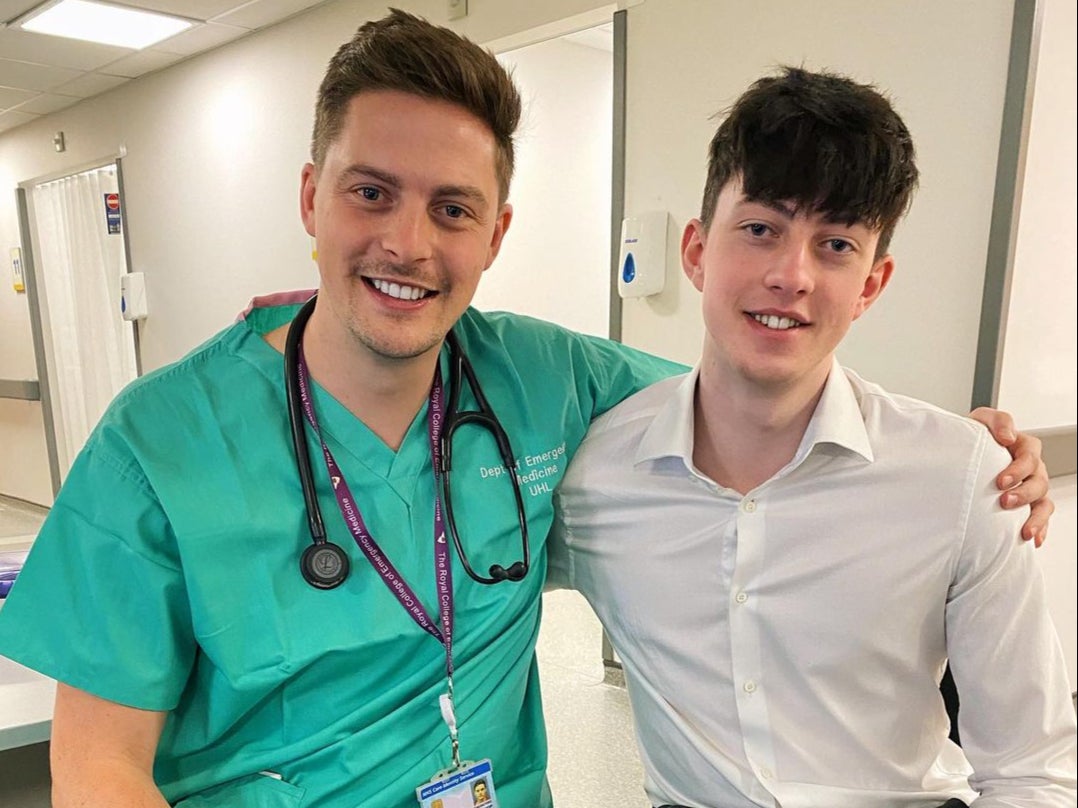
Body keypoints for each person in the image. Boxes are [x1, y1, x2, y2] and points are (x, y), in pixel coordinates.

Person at [0, 11, 1053, 808]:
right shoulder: (156, 444)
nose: (408, 243)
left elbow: (759, 385)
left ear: (496, 233)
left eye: (452, 208)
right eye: (370, 192)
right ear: (311, 195)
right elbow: (96, 766)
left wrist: (967, 452)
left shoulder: (546, 381)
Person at [549, 66, 1077, 807]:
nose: (791, 275)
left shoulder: (961, 480)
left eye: (834, 245)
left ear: (871, 285)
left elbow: (1032, 771)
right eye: (761, 229)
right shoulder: (596, 478)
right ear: (697, 252)